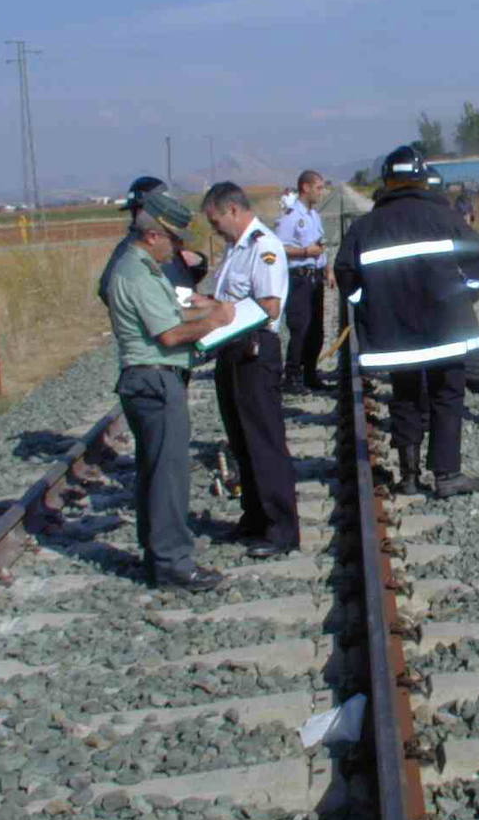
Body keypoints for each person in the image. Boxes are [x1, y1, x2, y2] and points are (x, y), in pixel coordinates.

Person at [335, 145, 479, 499]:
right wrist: (468, 294)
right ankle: (447, 475)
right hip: (447, 329)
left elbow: (345, 273)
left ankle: (408, 476)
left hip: (396, 333)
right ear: (421, 179)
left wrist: (369, 305)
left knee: (405, 397)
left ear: (388, 181)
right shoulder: (444, 217)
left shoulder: (366, 226)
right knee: (446, 396)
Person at [105, 192, 234, 591]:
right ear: (153, 236)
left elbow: (171, 315)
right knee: (168, 475)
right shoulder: (137, 272)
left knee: (156, 470)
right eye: (173, 241)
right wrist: (215, 324)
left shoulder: (139, 265)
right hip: (154, 379)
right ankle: (174, 563)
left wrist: (209, 310)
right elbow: (170, 332)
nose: (178, 249)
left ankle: (158, 554)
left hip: (151, 378)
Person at [203, 182, 301, 557]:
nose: (214, 229)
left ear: (232, 210)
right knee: (240, 439)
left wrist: (222, 315)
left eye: (215, 221)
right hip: (231, 349)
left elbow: (270, 306)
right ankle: (254, 517)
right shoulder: (234, 249)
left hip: (254, 350)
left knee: (263, 440)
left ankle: (281, 529)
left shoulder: (264, 247)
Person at [98, 176, 208, 305]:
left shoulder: (164, 239)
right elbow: (108, 289)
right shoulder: (132, 249)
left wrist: (199, 263)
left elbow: (181, 277)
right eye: (161, 205)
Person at [275, 170, 335, 393]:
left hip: (315, 277)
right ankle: (292, 376)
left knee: (316, 330)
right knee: (300, 328)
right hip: (299, 278)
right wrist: (304, 252)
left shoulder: (314, 215)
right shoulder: (290, 217)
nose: (321, 192)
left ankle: (310, 373)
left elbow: (321, 246)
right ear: (305, 187)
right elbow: (279, 248)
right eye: (318, 188)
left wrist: (327, 269)